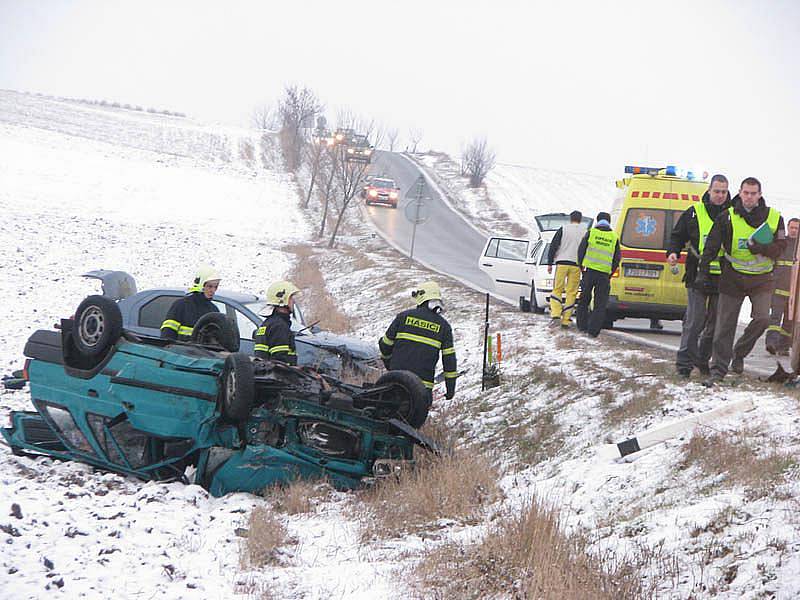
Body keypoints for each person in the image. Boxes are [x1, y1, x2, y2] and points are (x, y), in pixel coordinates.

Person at [699, 177, 787, 386]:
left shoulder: (774, 218)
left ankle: (739, 353)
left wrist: (761, 248)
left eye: (753, 193)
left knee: (763, 319)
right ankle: (718, 370)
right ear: (739, 193)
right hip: (732, 277)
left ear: (760, 195)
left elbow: (781, 248)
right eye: (746, 193)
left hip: (762, 279)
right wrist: (702, 271)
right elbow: (712, 246)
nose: (749, 197)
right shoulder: (726, 217)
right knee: (724, 326)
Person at [667, 174, 732, 377]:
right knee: (695, 322)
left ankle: (703, 362)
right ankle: (684, 365)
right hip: (697, 275)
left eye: (724, 191)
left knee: (714, 327)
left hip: (723, 278)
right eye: (717, 191)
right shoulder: (694, 213)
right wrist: (673, 252)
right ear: (709, 191)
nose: (720, 195)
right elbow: (677, 236)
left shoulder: (734, 215)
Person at [378, 281, 457, 401]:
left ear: (420, 297)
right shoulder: (444, 326)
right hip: (422, 390)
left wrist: (389, 364)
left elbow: (385, 345)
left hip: (395, 382)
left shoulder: (403, 317)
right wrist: (450, 389)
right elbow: (449, 361)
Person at [576, 212, 621, 337]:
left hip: (588, 272)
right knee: (600, 304)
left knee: (584, 300)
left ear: (598, 220)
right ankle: (593, 331)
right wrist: (610, 272)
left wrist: (581, 267)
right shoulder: (614, 237)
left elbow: (581, 251)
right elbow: (617, 259)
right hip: (604, 275)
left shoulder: (591, 233)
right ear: (609, 222)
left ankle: (582, 326)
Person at [765, 217, 799, 355]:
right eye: (792, 227)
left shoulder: (799, 247)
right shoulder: (781, 243)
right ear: (788, 227)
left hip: (794, 292)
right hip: (778, 288)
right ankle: (771, 343)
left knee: (789, 321)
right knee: (775, 318)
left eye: (797, 228)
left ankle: (784, 346)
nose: (794, 230)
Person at [160, 265, 221, 341]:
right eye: (210, 286)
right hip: (180, 351)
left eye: (216, 287)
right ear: (201, 285)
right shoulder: (181, 305)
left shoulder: (213, 310)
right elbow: (167, 334)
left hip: (202, 352)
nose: (213, 290)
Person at [547, 210, 585, 328]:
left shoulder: (563, 229)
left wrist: (549, 262)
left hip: (562, 263)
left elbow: (554, 246)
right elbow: (586, 249)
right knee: (571, 292)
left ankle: (556, 315)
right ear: (580, 219)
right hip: (576, 265)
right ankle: (566, 319)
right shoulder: (585, 231)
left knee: (557, 289)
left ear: (570, 218)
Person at [254, 280, 300, 365]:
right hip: (279, 377)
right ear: (282, 300)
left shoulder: (268, 323)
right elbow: (280, 362)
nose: (293, 301)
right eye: (290, 298)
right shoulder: (279, 326)